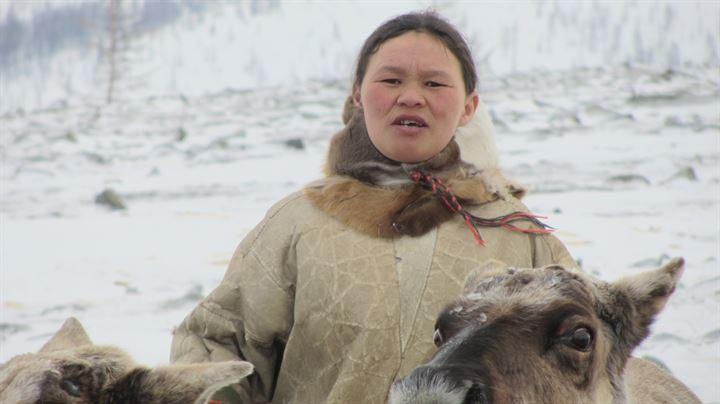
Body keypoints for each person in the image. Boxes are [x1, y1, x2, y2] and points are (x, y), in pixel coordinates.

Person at [170, 11, 577, 403]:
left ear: (469, 106)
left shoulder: (517, 234)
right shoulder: (299, 224)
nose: (412, 97)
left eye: (434, 84)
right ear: (358, 95)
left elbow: (586, 354)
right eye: (391, 79)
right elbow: (219, 338)